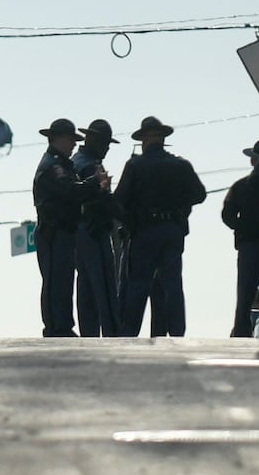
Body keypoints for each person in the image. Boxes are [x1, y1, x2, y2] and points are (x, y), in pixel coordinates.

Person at [114, 116, 207, 337]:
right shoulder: (180, 165)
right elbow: (199, 194)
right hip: (172, 231)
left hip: (145, 231)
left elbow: (118, 201)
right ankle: (176, 333)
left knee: (138, 284)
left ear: (145, 139)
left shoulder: (135, 165)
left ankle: (129, 333)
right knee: (172, 283)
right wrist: (181, 207)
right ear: (163, 139)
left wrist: (129, 221)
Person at [33, 117, 108, 337]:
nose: (74, 144)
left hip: (64, 231)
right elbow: (69, 191)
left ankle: (62, 325)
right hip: (53, 231)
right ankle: (57, 327)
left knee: (64, 280)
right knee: (56, 280)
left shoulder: (63, 164)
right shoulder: (53, 166)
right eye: (70, 139)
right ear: (57, 139)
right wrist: (94, 182)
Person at [72, 119, 122, 337]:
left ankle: (88, 335)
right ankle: (112, 334)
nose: (107, 149)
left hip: (78, 232)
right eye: (104, 143)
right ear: (92, 140)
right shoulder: (91, 166)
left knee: (86, 288)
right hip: (94, 230)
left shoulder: (74, 161)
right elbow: (102, 201)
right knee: (103, 287)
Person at [221, 137, 259, 337]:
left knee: (245, 293)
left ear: (253, 161)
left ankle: (242, 332)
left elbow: (227, 214)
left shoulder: (241, 185)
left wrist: (241, 228)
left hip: (249, 243)